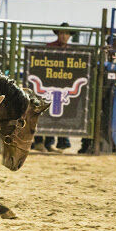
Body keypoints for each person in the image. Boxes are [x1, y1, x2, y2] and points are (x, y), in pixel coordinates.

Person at [33, 22, 73, 152]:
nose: (64, 36)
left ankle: (50, 143)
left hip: (61, 87)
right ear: (58, 34)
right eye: (61, 33)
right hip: (48, 85)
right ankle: (39, 141)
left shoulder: (72, 50)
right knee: (43, 112)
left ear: (69, 36)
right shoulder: (49, 47)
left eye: (66, 33)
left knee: (58, 114)